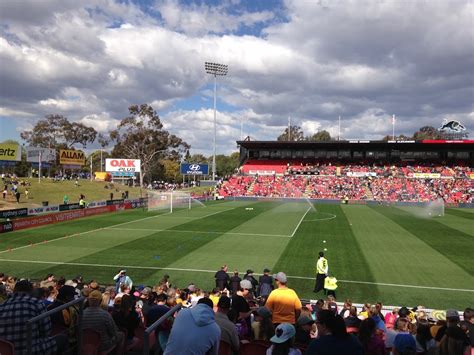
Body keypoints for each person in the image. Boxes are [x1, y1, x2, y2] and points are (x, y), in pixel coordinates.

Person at [0, 279, 68, 354]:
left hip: (6, 351)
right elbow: (46, 331)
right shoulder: (36, 303)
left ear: (14, 291)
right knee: (62, 338)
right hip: (30, 350)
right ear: (31, 291)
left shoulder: (2, 305)